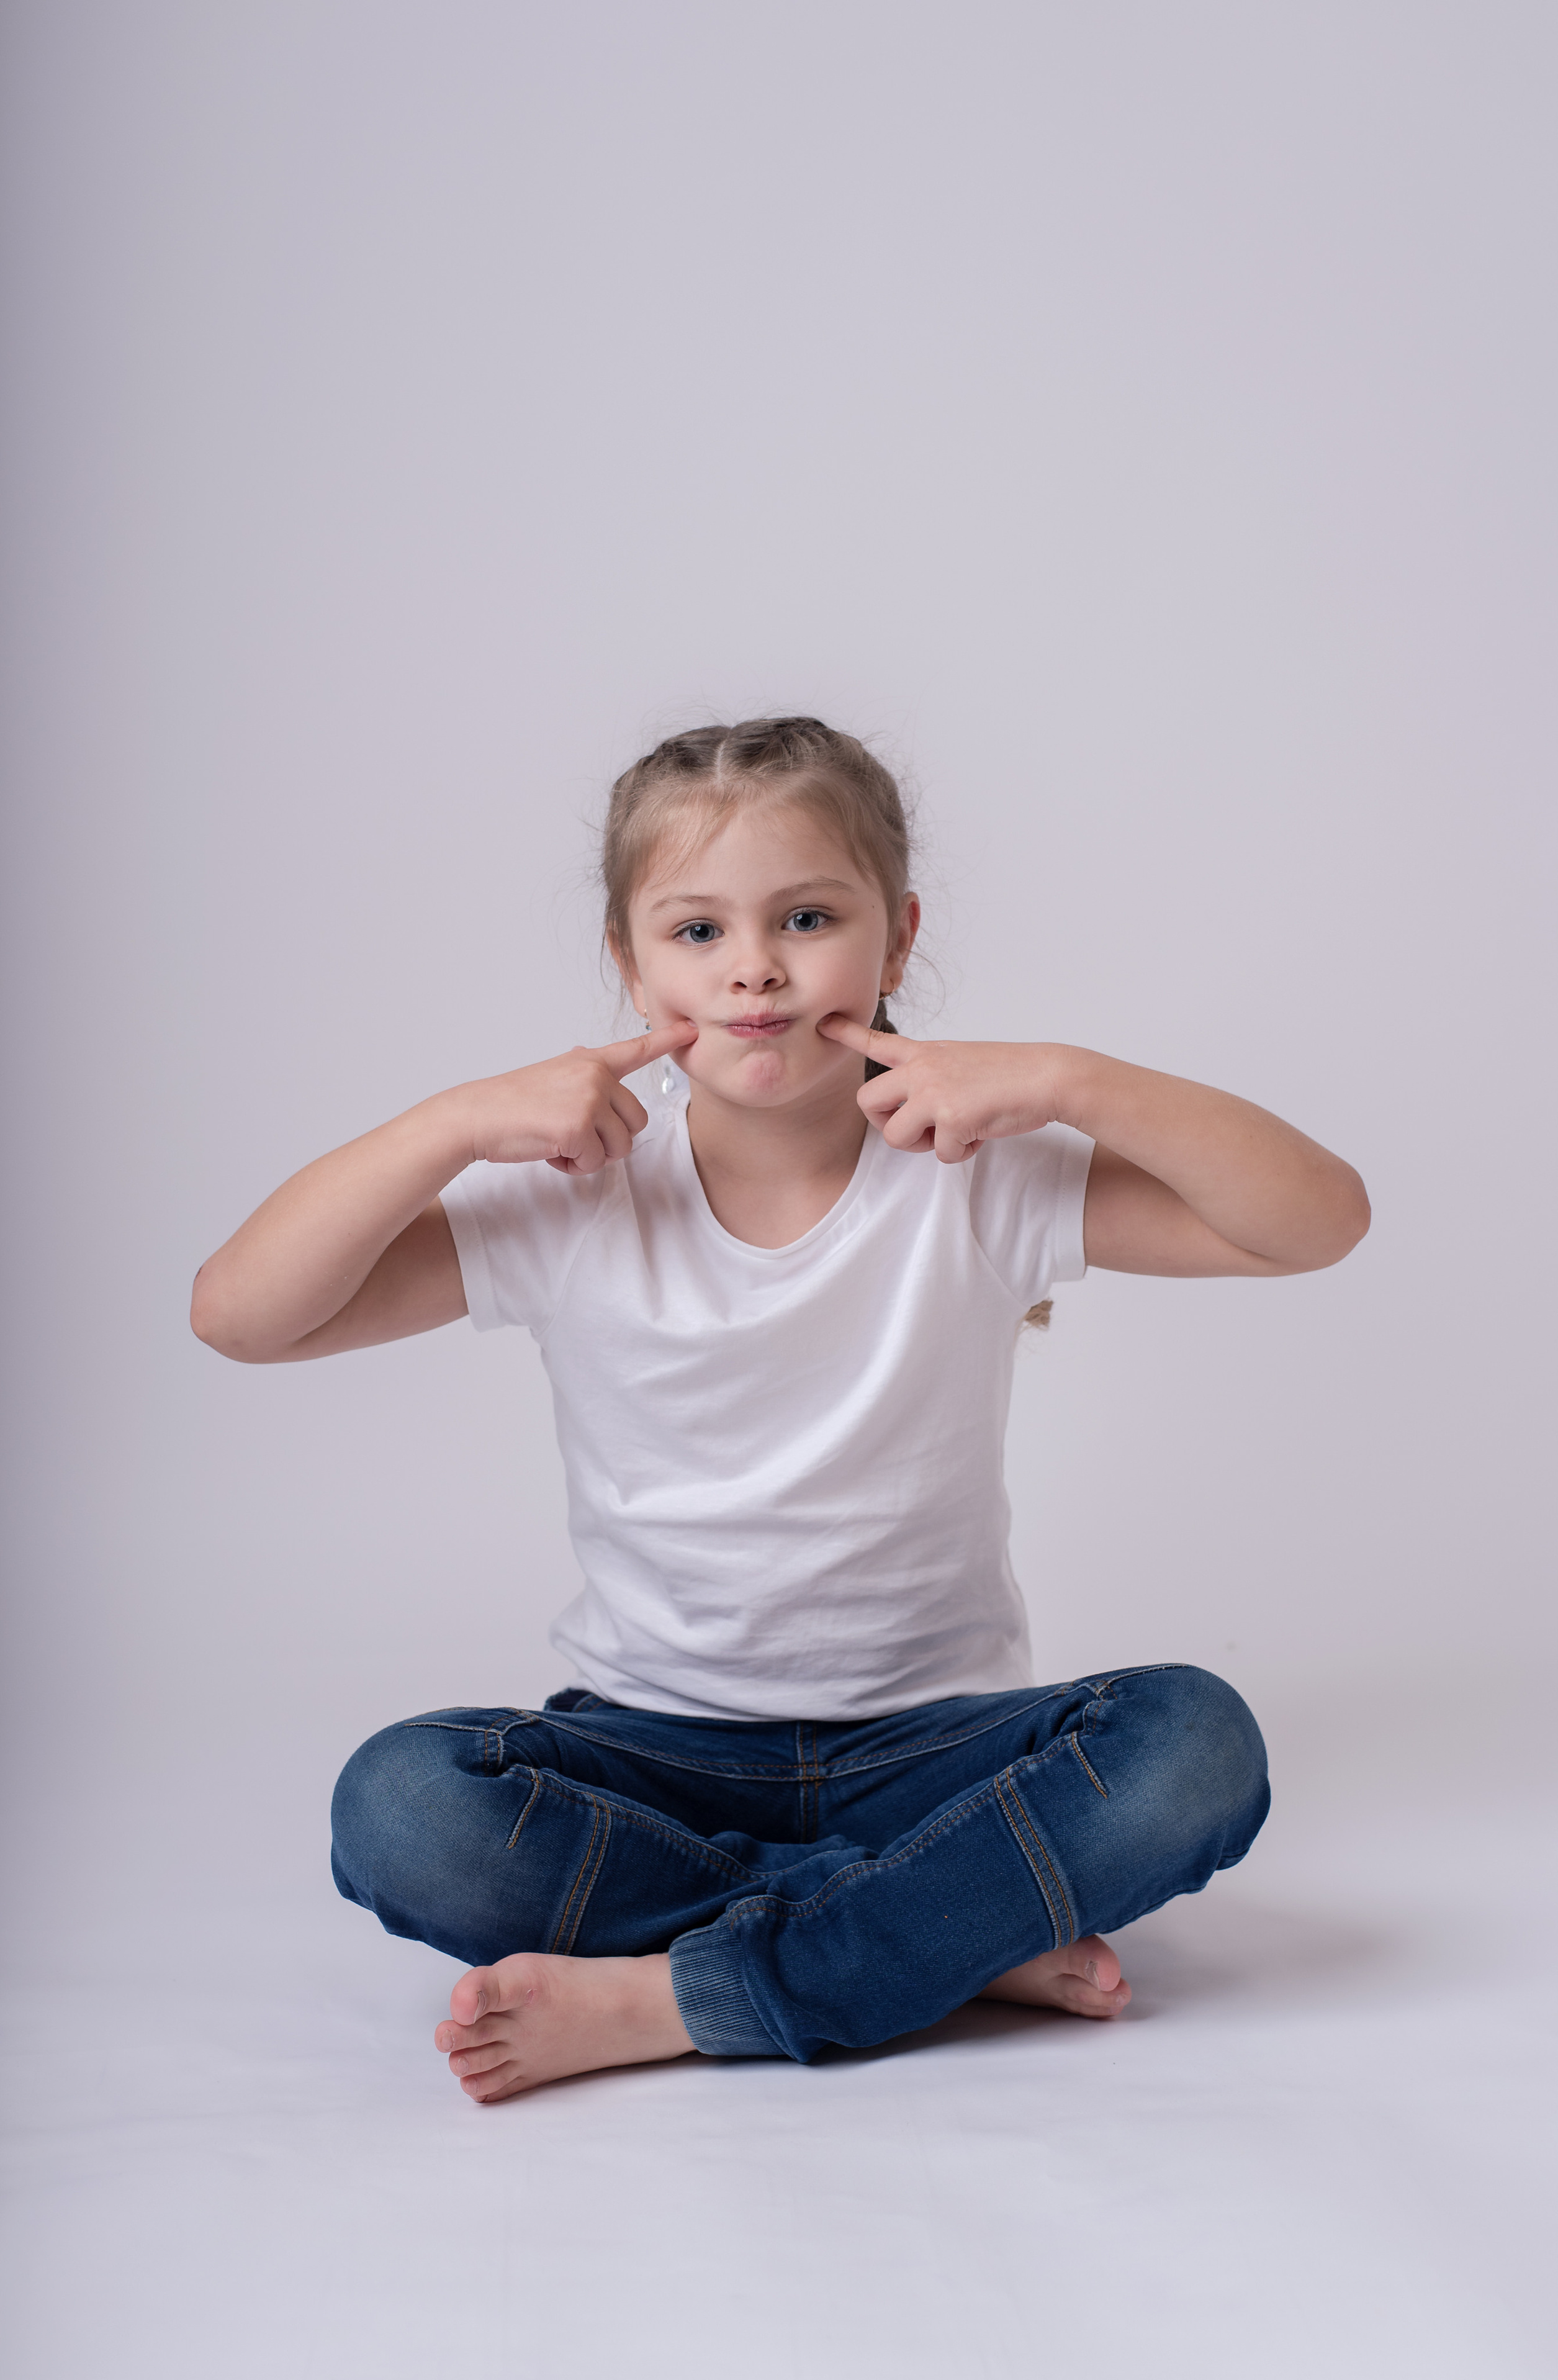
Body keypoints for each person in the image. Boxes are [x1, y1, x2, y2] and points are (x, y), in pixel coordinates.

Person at [191, 716, 1369, 2103]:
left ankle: (691, 1993)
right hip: (648, 1750)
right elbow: (241, 1316)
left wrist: (1062, 1078)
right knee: (403, 1807)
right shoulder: (568, 1199)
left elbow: (1316, 1223)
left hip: (935, 1747)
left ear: (896, 936)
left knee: (1193, 1747)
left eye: (805, 917)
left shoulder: (978, 1175)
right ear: (627, 963)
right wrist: (453, 1123)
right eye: (695, 932)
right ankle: (944, 1929)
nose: (752, 967)